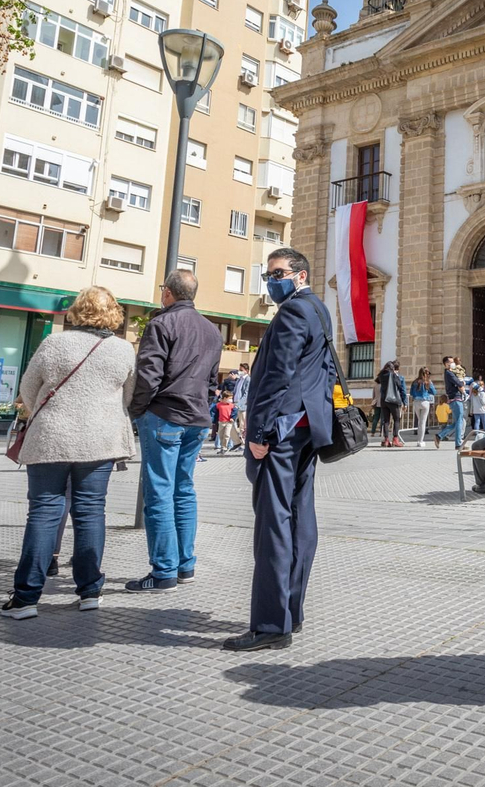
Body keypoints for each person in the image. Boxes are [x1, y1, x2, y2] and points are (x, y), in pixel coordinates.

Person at [0, 286, 137, 619]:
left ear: (77, 310)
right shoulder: (123, 350)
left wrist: (46, 413)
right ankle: (90, 591)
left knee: (44, 512)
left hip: (52, 438)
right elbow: (128, 397)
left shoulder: (54, 343)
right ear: (113, 313)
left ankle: (26, 598)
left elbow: (28, 390)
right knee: (91, 512)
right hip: (100, 442)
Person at [225, 247, 337, 652]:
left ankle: (272, 624)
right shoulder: (318, 310)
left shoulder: (291, 312)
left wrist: (259, 431)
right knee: (299, 519)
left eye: (278, 273)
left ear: (300, 275)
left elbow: (277, 375)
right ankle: (292, 610)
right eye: (268, 275)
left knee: (274, 525)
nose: (272, 282)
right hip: (308, 429)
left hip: (283, 431)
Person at [125, 268, 222, 593]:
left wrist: (136, 411)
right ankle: (185, 565)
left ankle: (164, 570)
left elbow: (149, 374)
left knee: (159, 492)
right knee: (184, 489)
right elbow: (211, 382)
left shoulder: (161, 323)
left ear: (168, 292)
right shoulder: (211, 330)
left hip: (164, 414)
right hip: (196, 418)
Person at [376, 360, 406, 448]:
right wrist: (404, 401)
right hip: (393, 400)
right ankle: (395, 440)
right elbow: (400, 386)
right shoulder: (394, 375)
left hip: (383, 400)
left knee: (386, 420)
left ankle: (386, 440)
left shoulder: (381, 375)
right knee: (396, 419)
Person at [439, 355, 466, 448]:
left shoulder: (449, 373)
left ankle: (439, 436)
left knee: (456, 422)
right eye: (451, 362)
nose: (453, 364)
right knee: (459, 421)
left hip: (453, 399)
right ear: (446, 364)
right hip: (456, 398)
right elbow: (458, 383)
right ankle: (458, 443)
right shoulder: (449, 373)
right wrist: (463, 382)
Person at [408, 367, 437, 447]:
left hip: (416, 402)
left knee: (420, 421)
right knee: (422, 422)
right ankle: (420, 441)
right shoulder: (428, 382)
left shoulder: (414, 382)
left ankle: (419, 440)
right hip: (425, 402)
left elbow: (411, 393)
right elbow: (434, 392)